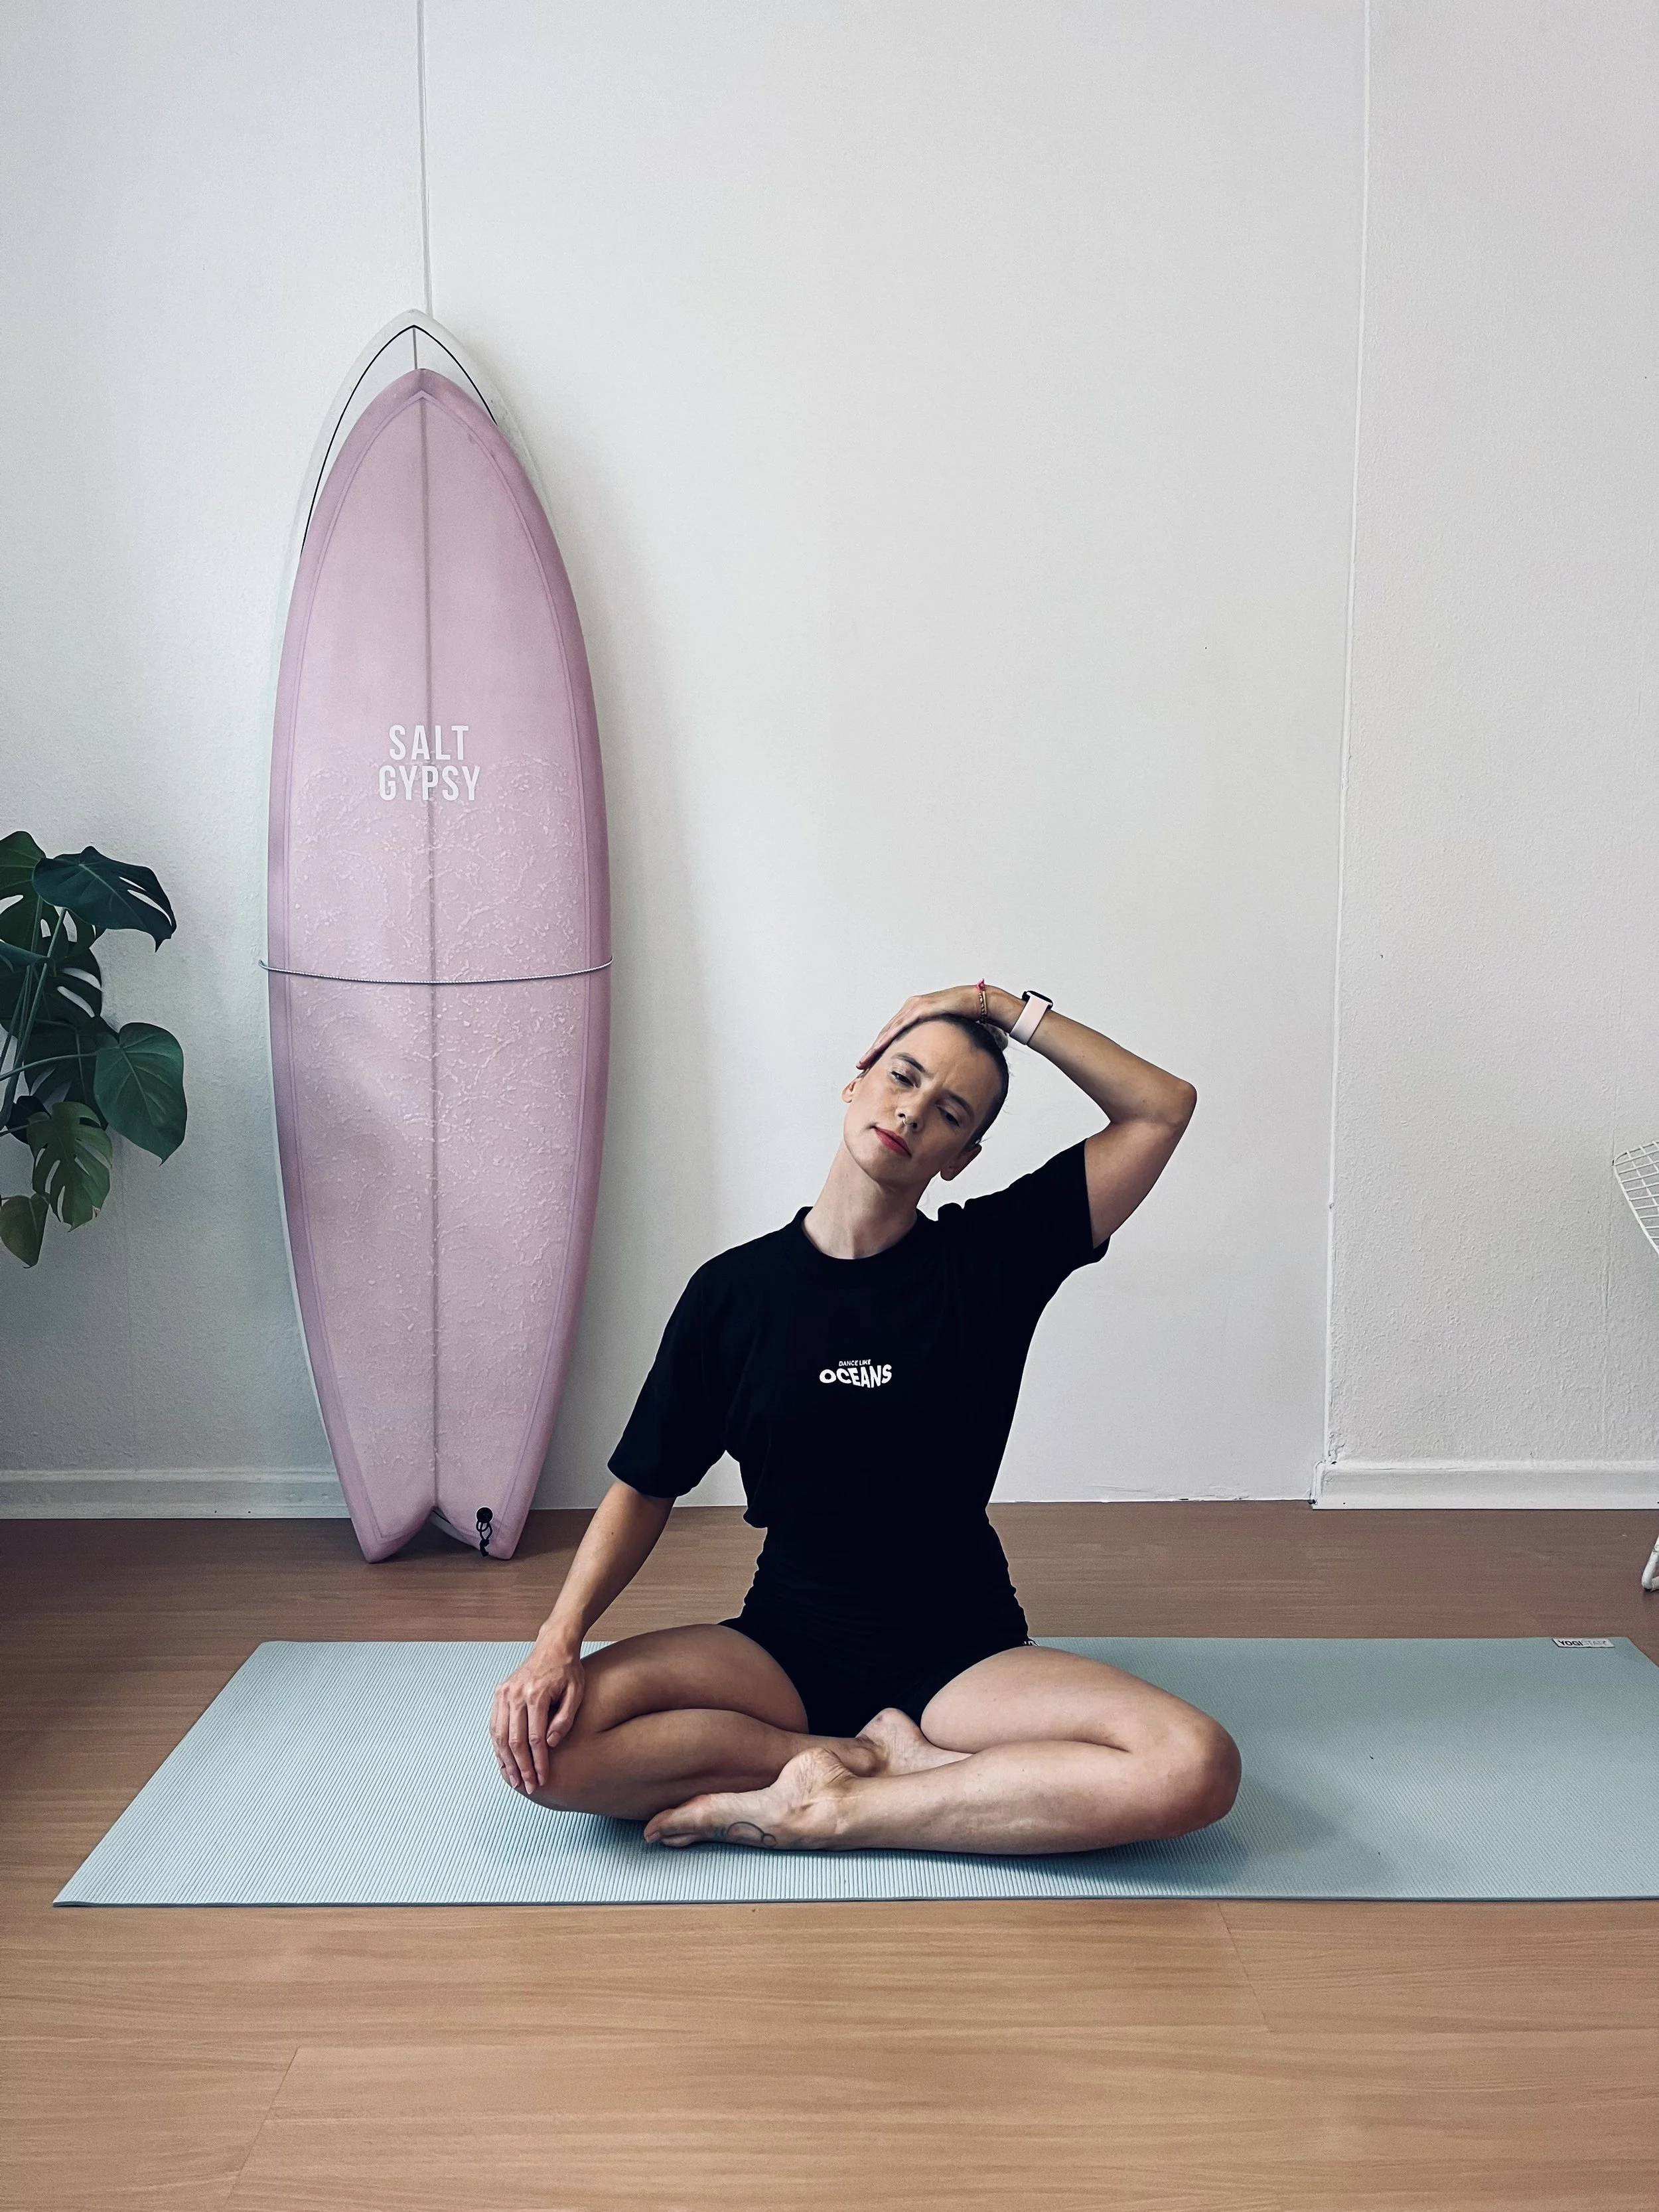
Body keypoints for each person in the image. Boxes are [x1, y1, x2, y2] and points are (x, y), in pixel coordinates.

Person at [489, 983, 1240, 1854]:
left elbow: (1160, 1109)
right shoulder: (733, 1295)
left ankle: (842, 1812)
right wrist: (556, 1640)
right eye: (904, 1077)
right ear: (857, 1084)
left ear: (962, 1154)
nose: (915, 1110)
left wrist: (999, 1005)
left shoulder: (989, 1262)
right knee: (548, 1748)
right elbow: (644, 1485)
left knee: (1193, 1763)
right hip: (782, 1647)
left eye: (950, 1110)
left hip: (962, 1655)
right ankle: (836, 1760)